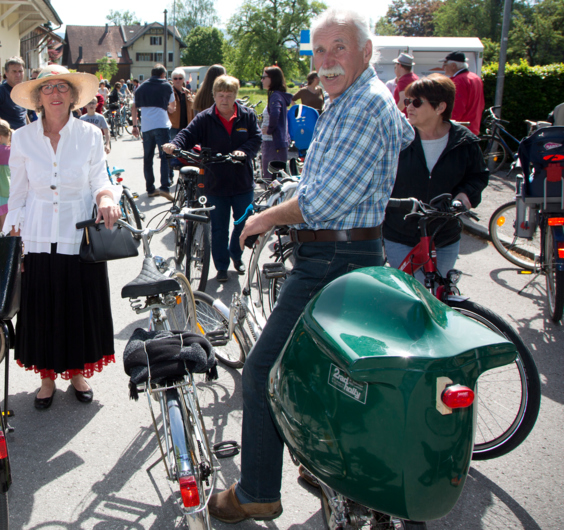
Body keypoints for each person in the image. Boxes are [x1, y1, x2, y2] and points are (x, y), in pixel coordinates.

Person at [208, 8, 414, 523]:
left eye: (338, 48)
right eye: (319, 51)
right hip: (346, 251)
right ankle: (328, 465)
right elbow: (400, 140)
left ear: (366, 51)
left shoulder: (363, 105)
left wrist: (261, 220)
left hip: (332, 257)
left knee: (263, 369)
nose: (326, 61)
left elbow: (321, 203)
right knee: (326, 371)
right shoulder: (356, 100)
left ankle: (257, 491)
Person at [3, 64, 121, 410]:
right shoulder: (23, 137)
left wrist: (107, 198)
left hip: (78, 230)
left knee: (77, 305)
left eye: (62, 88)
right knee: (42, 306)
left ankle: (77, 373)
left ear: (72, 96)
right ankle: (47, 377)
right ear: (38, 97)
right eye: (47, 88)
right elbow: (18, 192)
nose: (55, 94)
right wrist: (14, 230)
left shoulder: (89, 134)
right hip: (38, 232)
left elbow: (99, 177)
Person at [383, 74, 488, 277]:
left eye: (416, 102)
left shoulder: (465, 142)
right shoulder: (397, 137)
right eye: (407, 101)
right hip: (400, 234)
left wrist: (463, 198)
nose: (409, 107)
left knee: (441, 295)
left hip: (444, 235)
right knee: (414, 295)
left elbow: (478, 177)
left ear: (440, 107)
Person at [163, 75, 262, 283]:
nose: (224, 99)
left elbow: (256, 138)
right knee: (218, 228)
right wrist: (174, 144)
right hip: (215, 182)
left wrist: (244, 151)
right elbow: (187, 135)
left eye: (229, 95)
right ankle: (222, 266)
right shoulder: (205, 118)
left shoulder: (247, 116)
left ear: (235, 95)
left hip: (242, 181)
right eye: (220, 95)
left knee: (244, 223)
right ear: (214, 95)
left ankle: (236, 254)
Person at [131, 64, 176, 200]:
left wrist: (134, 125)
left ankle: (150, 188)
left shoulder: (141, 87)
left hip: (146, 127)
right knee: (165, 156)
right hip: (162, 125)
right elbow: (173, 107)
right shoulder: (166, 85)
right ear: (163, 74)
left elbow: (134, 107)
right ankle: (164, 187)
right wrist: (167, 107)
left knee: (148, 158)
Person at [260, 66, 292, 180]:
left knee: (271, 179)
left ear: (272, 79)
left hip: (272, 143)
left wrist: (269, 130)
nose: (261, 80)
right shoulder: (279, 95)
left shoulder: (275, 96)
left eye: (264, 77)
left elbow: (275, 114)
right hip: (278, 143)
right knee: (278, 179)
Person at [442, 51, 485, 135]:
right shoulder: (475, 78)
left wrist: (446, 125)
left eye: (445, 64)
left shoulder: (459, 81)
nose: (443, 67)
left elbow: (457, 108)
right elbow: (481, 104)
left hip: (460, 129)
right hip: (473, 126)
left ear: (454, 66)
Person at [168, 67, 195, 138]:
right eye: (175, 78)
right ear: (172, 80)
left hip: (186, 126)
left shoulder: (187, 92)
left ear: (183, 79)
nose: (178, 80)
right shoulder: (168, 92)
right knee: (173, 147)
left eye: (180, 78)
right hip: (173, 127)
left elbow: (192, 110)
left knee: (186, 148)